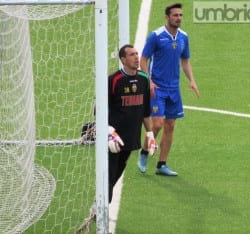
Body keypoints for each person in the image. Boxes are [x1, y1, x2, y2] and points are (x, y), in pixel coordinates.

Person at [77, 45, 157, 232]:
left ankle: (97, 208)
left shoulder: (144, 79)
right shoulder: (113, 80)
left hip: (129, 140)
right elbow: (99, 111)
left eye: (137, 54)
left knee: (115, 177)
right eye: (131, 55)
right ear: (122, 59)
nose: (136, 58)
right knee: (109, 177)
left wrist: (150, 134)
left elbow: (145, 110)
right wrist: (109, 131)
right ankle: (100, 214)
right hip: (112, 140)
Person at [137, 3, 200, 176]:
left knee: (170, 126)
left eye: (180, 15)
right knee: (157, 124)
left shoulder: (183, 37)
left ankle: (161, 164)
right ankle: (143, 153)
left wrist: (192, 80)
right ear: (167, 17)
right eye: (175, 15)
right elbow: (143, 59)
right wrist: (148, 81)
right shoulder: (156, 36)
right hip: (157, 88)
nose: (178, 18)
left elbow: (185, 61)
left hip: (174, 89)